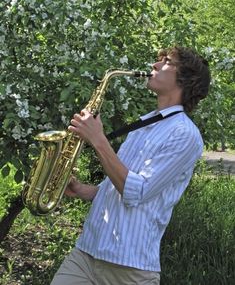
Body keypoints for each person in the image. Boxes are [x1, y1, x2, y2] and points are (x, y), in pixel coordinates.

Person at [50, 46, 210, 285]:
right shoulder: (145, 124)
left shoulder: (185, 134)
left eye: (166, 61)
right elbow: (118, 186)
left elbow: (137, 191)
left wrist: (98, 139)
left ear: (185, 78)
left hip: (129, 268)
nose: (155, 65)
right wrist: (85, 190)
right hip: (86, 253)